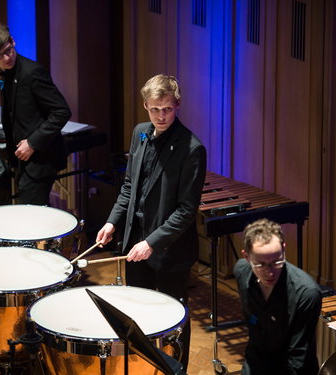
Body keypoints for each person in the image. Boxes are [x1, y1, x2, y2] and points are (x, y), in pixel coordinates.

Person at [96, 74, 207, 370]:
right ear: (145, 105)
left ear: (178, 105)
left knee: (174, 319)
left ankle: (177, 367)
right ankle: (144, 367)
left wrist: (152, 243)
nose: (161, 116)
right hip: (135, 240)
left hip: (169, 249)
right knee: (138, 313)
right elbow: (130, 186)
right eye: (155, 109)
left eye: (167, 109)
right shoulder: (140, 133)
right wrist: (112, 222)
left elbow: (186, 209)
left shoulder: (192, 148)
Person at [0, 22, 71, 205]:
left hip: (40, 159)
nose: (6, 58)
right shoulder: (7, 74)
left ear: (12, 41)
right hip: (22, 160)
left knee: (30, 217)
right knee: (37, 213)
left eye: (8, 50)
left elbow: (61, 111)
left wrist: (33, 143)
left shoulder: (32, 73)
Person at [234, 218, 322, 374]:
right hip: (255, 362)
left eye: (277, 262)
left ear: (284, 249)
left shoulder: (306, 293)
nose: (270, 272)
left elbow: (298, 357)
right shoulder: (241, 271)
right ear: (246, 257)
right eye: (261, 264)